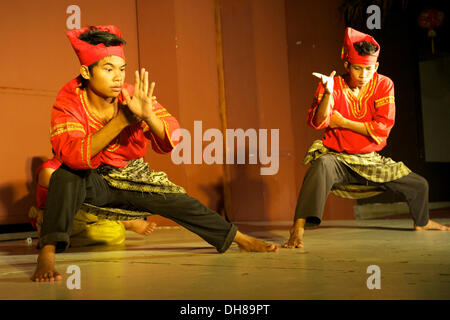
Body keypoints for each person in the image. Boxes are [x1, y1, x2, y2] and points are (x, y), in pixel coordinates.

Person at [32, 25, 277, 282]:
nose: (117, 77)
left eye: (121, 69)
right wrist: (123, 120)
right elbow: (71, 153)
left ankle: (239, 238)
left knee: (180, 201)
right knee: (65, 175)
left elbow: (171, 135)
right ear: (86, 72)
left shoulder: (132, 95)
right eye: (108, 69)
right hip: (92, 179)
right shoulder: (69, 100)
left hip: (130, 176)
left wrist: (148, 115)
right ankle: (47, 254)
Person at [284, 27, 449, 249]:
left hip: (369, 160)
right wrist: (328, 93)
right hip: (338, 159)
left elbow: (382, 128)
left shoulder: (383, 84)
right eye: (358, 69)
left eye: (369, 69)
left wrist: (343, 122)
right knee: (321, 164)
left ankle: (422, 222)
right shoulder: (334, 85)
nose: (363, 75)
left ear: (376, 67)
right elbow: (320, 122)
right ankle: (298, 228)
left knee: (419, 185)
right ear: (347, 66)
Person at [29, 156, 157, 248]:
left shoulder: (80, 168)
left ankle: (63, 241)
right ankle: (126, 221)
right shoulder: (47, 169)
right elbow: (70, 194)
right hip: (60, 217)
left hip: (81, 219)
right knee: (88, 204)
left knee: (117, 233)